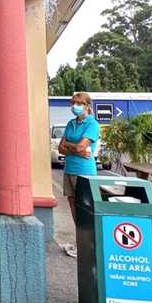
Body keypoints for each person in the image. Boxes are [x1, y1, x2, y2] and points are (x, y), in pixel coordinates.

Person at [59, 92, 100, 224]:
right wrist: (75, 150)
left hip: (84, 171)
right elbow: (60, 148)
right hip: (69, 169)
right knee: (72, 203)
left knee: (85, 205)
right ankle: (79, 233)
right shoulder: (70, 123)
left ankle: (89, 235)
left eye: (78, 103)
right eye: (73, 104)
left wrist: (69, 146)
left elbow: (80, 147)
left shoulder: (92, 124)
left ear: (87, 106)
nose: (74, 106)